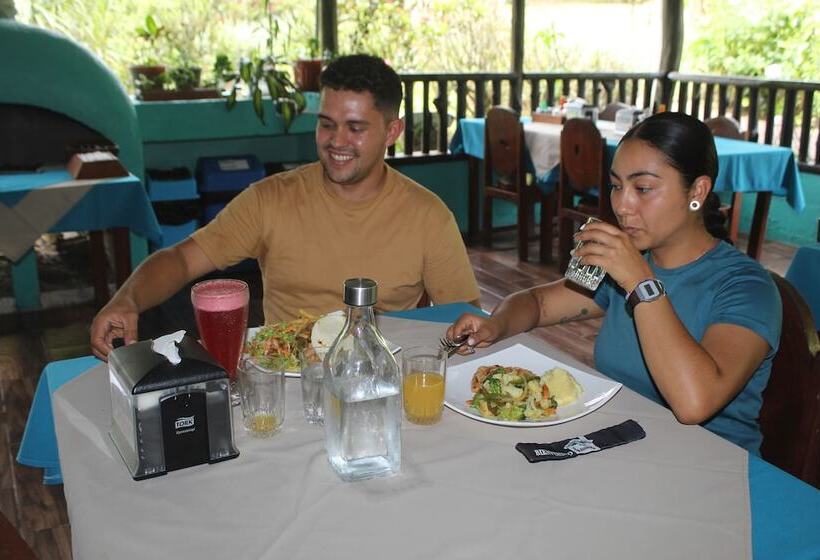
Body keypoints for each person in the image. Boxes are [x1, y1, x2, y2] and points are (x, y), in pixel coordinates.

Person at [91, 54, 480, 359]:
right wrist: (127, 299)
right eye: (326, 124)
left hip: (376, 379)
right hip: (284, 376)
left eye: (355, 128)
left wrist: (464, 339)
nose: (336, 141)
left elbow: (463, 318)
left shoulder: (427, 215)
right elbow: (181, 260)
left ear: (392, 132)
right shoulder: (270, 199)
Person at [447, 112, 781, 454]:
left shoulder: (747, 287)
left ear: (697, 190)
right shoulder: (633, 265)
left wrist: (640, 282)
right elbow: (539, 303)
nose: (622, 205)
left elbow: (694, 403)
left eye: (643, 188)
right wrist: (495, 324)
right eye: (616, 185)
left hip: (716, 466)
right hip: (629, 444)